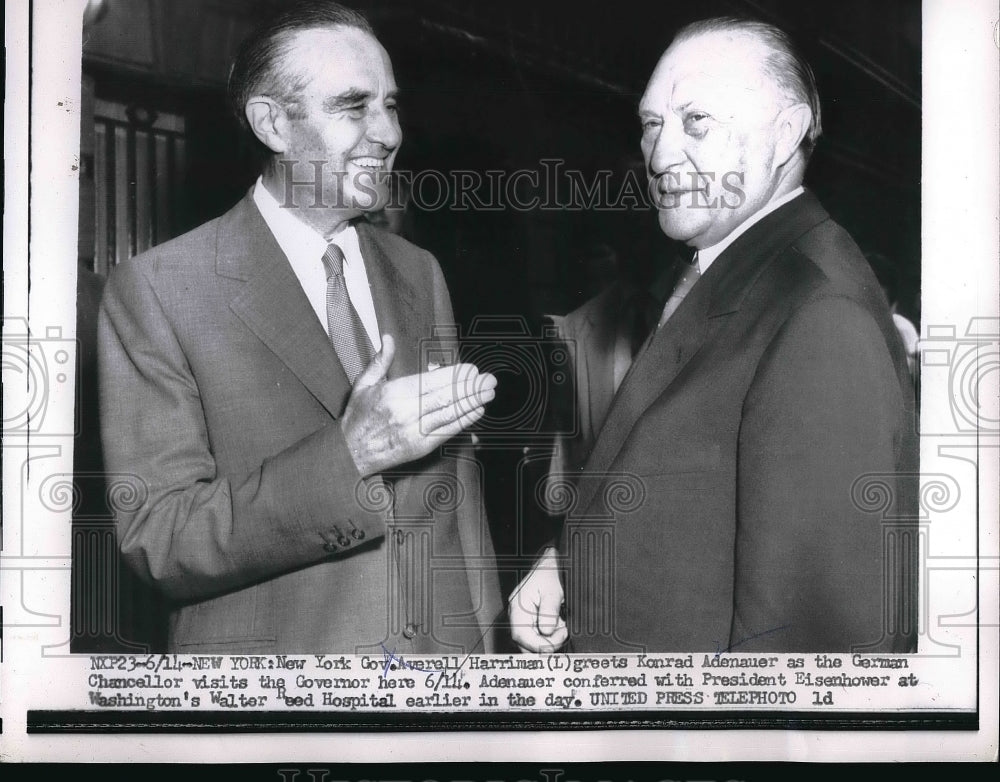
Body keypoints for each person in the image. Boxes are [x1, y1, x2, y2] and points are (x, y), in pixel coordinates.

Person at [98, 1, 502, 654]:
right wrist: (350, 456)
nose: (387, 132)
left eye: (390, 105)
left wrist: (486, 650)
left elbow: (457, 493)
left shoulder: (417, 271)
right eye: (353, 106)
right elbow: (159, 537)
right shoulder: (159, 289)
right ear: (273, 123)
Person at [510, 17, 918, 653]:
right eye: (652, 124)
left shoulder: (818, 313)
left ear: (785, 133)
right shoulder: (740, 272)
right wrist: (572, 564)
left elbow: (809, 657)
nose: (661, 154)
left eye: (695, 121)